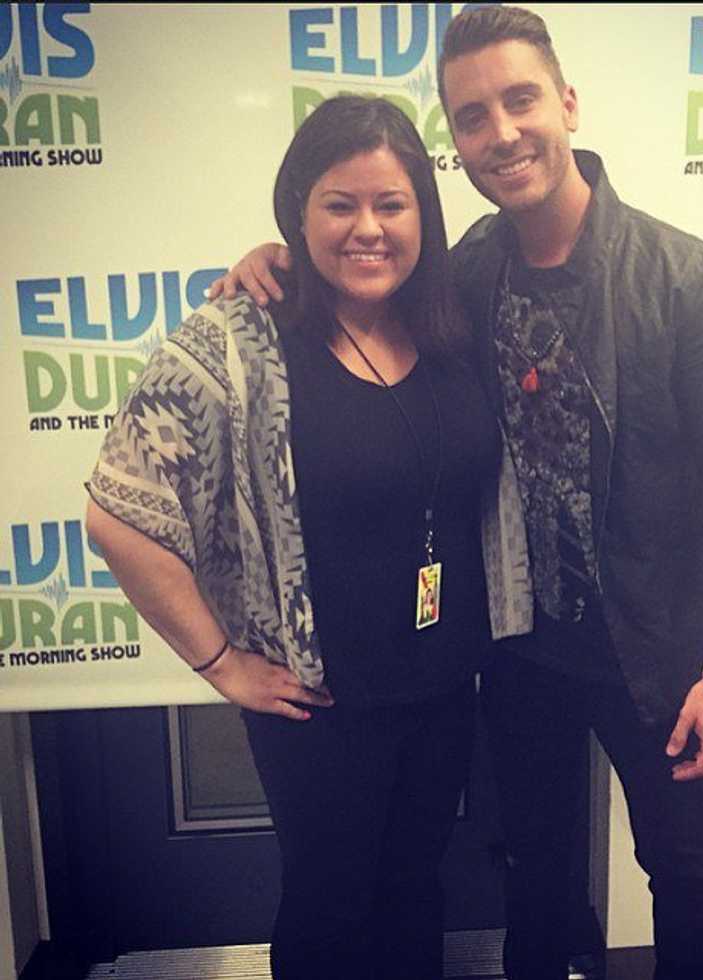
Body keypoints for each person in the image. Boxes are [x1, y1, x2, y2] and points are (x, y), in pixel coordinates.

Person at [210, 7, 703, 979]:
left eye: (520, 100)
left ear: (567, 104)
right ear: (457, 142)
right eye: (473, 117)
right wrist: (278, 260)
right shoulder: (466, 270)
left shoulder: (691, 279)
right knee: (533, 873)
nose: (501, 132)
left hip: (656, 650)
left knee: (680, 867)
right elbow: (362, 268)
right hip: (516, 650)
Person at [86, 95, 503, 980]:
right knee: (330, 908)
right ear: (297, 214)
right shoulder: (239, 339)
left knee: (415, 892)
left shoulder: (451, 321)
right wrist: (221, 663)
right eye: (339, 205)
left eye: (391, 204)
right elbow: (119, 512)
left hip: (442, 684)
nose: (368, 229)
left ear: (423, 215)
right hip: (317, 705)